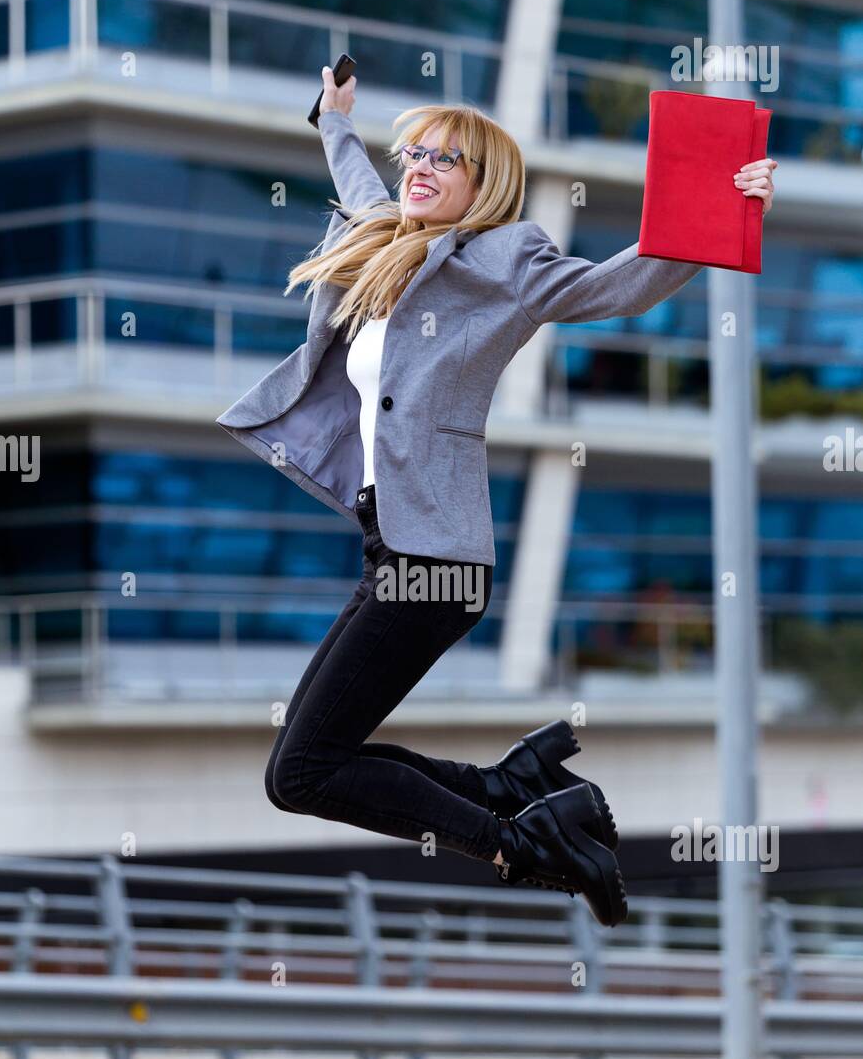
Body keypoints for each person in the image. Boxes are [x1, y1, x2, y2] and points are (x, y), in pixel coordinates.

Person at [216, 66, 776, 928]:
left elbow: (618, 284)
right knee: (300, 767)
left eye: (448, 158)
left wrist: (722, 204)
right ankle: (512, 788)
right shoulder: (389, 246)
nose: (421, 167)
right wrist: (333, 120)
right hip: (393, 547)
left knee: (303, 771)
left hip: (435, 558)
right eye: (417, 153)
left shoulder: (505, 262)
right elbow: (363, 184)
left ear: (484, 185)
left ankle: (530, 843)